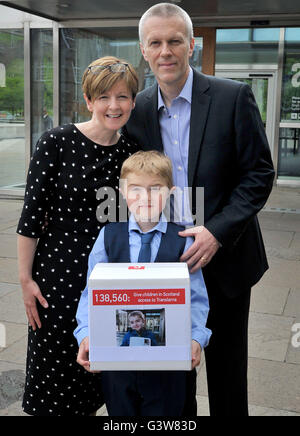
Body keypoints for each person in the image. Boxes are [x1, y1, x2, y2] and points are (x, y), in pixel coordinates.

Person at [123, 3, 275, 416]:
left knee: (228, 376)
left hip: (225, 259)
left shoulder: (232, 97)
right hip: (167, 263)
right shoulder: (134, 110)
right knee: (174, 379)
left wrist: (217, 232)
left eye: (175, 41)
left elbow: (259, 174)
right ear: (144, 49)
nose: (166, 51)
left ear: (192, 44)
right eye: (156, 42)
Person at [17, 56, 139, 416]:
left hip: (108, 279)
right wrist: (25, 280)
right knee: (55, 385)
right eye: (103, 97)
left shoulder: (132, 153)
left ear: (133, 101)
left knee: (100, 381)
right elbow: (30, 218)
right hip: (57, 281)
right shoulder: (56, 142)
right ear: (88, 100)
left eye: (122, 97)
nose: (113, 106)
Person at [74, 150, 212, 416]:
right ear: (123, 192)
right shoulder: (108, 236)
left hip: (167, 365)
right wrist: (86, 334)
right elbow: (90, 293)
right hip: (118, 364)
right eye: (136, 189)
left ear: (171, 192)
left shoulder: (183, 240)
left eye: (155, 189)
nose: (145, 197)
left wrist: (196, 337)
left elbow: (196, 297)